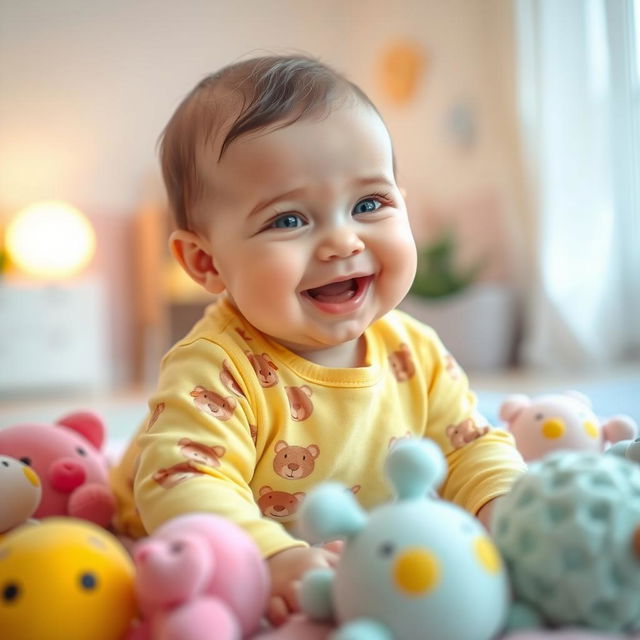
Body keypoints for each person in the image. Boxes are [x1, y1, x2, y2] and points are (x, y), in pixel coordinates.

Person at [111, 54, 526, 625]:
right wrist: (273, 556)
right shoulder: (217, 366)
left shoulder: (414, 350)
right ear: (206, 262)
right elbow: (179, 479)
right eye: (288, 220)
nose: (342, 241)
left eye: (369, 204)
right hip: (159, 535)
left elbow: (470, 445)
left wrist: (504, 507)